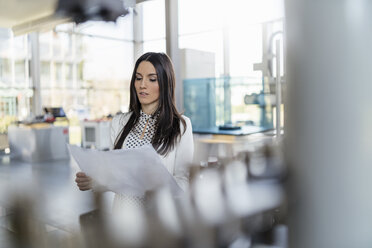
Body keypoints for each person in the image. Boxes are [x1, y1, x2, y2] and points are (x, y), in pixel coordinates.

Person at [75, 52, 194, 208]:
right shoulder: (119, 122)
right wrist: (97, 181)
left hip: (157, 220)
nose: (142, 85)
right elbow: (116, 178)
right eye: (138, 78)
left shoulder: (181, 126)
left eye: (152, 79)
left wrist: (153, 185)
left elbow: (184, 181)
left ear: (165, 83)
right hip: (124, 217)